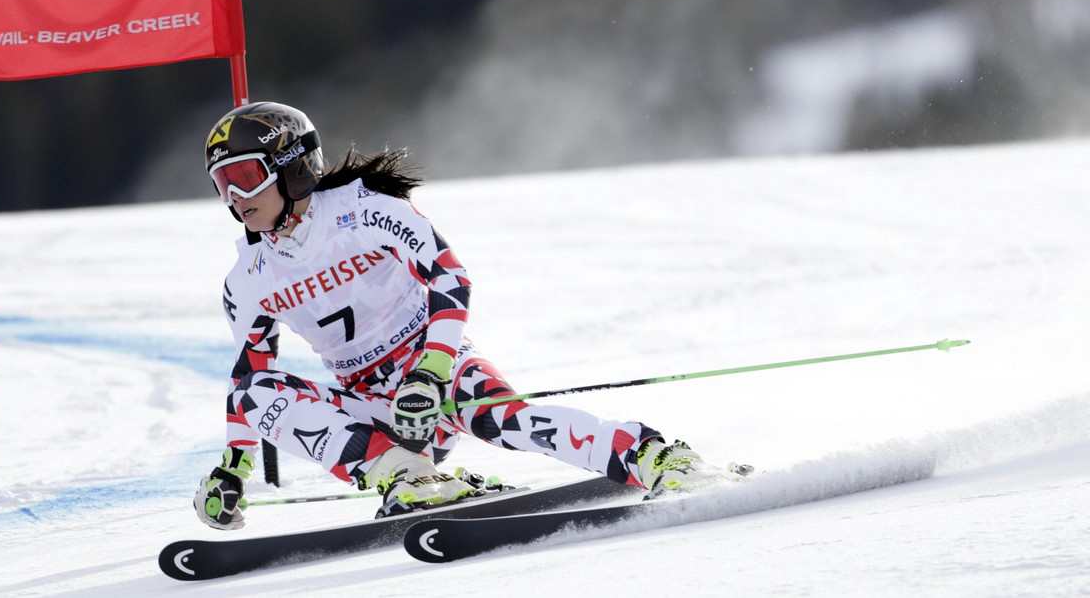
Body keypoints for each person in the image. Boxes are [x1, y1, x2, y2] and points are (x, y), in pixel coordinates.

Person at [194, 102, 743, 529]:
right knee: (250, 392)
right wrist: (234, 470)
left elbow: (449, 277)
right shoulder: (249, 277)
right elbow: (251, 379)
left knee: (503, 421)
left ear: (291, 167)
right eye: (223, 185)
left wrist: (431, 370)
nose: (236, 198)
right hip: (375, 409)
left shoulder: (364, 209)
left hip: (434, 366)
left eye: (245, 176)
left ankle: (654, 456)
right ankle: (407, 477)